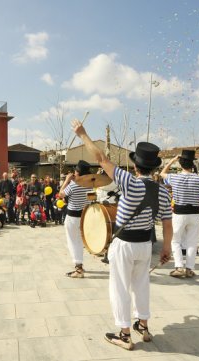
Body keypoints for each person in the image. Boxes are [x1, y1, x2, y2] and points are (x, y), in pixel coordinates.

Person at [72, 120, 172, 350]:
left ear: (136, 166)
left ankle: (124, 334)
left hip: (124, 244)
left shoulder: (129, 182)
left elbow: (101, 159)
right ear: (154, 168)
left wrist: (83, 134)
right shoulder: (163, 192)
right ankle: (143, 326)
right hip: (145, 245)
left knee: (119, 287)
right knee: (141, 285)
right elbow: (167, 223)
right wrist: (166, 248)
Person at [160, 150, 199, 278]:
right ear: (192, 164)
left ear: (181, 164)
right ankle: (189, 269)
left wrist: (172, 160)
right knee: (192, 242)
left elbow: (162, 173)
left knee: (175, 240)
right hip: (194, 213)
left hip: (179, 212)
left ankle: (179, 266)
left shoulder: (175, 177)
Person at [58, 160, 91, 278]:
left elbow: (60, 194)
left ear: (77, 172)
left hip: (72, 217)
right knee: (79, 241)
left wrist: (66, 180)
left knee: (73, 241)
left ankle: (78, 267)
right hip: (84, 216)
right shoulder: (89, 184)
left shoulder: (73, 184)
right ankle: (79, 265)